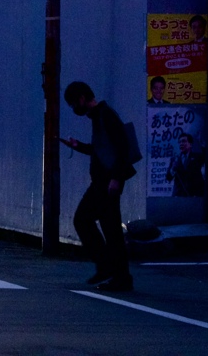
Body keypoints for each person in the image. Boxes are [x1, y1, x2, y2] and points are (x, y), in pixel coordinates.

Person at [61, 81, 136, 291]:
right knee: (111, 229)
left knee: (83, 219)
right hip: (107, 181)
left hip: (106, 182)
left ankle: (106, 266)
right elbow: (103, 149)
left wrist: (116, 178)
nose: (75, 109)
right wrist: (79, 146)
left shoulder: (105, 116)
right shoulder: (101, 116)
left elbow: (122, 147)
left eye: (74, 104)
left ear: (82, 99)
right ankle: (120, 277)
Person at [166, 133, 205, 197]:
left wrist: (203, 145)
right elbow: (168, 177)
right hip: (178, 195)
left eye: (184, 141)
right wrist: (172, 169)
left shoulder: (197, 157)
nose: (181, 144)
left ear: (190, 144)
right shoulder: (175, 159)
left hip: (194, 195)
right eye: (180, 142)